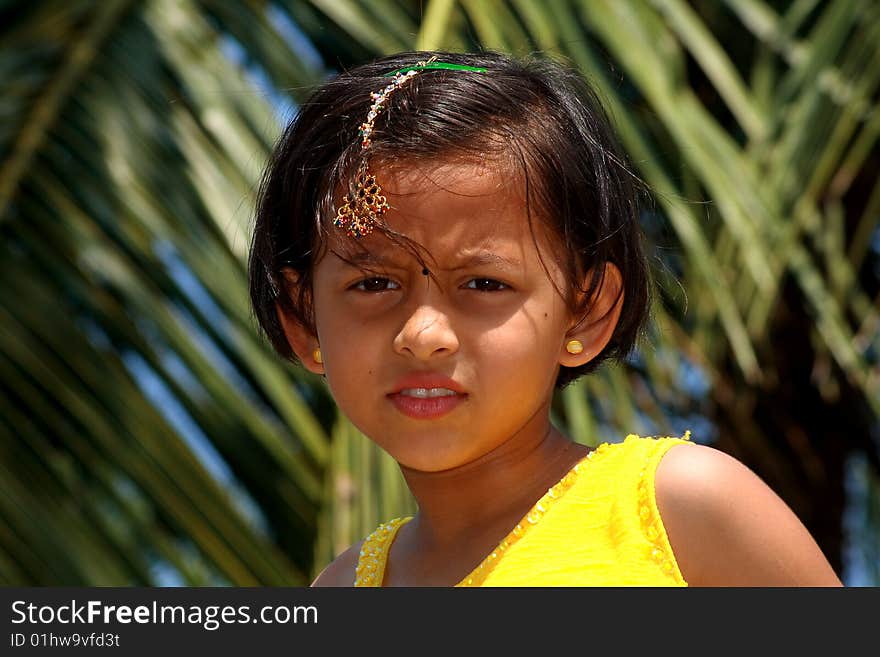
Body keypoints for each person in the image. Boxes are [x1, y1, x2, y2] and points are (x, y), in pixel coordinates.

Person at [248, 51, 841, 587]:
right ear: (305, 321)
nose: (423, 335)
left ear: (586, 311)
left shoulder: (681, 509)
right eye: (373, 284)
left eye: (485, 283)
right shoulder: (344, 589)